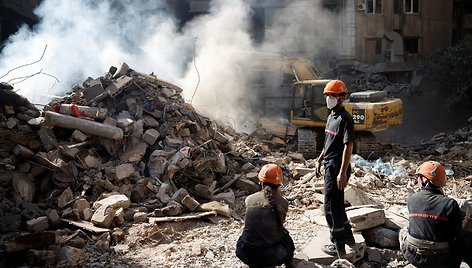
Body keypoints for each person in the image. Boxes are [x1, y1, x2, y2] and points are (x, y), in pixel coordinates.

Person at [399, 160, 472, 268]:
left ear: (424, 179)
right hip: (441, 261)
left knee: (403, 231)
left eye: (418, 177)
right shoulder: (450, 204)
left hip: (413, 256)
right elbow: (457, 240)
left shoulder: (411, 199)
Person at [315, 80, 356, 257]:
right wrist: (319, 159)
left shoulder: (345, 119)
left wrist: (342, 173)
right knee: (337, 205)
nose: (329, 99)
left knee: (330, 207)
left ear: (341, 97)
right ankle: (349, 240)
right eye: (327, 96)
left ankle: (338, 246)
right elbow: (328, 143)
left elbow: (348, 146)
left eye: (332, 95)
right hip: (329, 164)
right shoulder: (331, 117)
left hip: (337, 167)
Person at [236, 163, 295, 268]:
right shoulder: (283, 203)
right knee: (287, 240)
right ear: (279, 184)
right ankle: (289, 265)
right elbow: (280, 224)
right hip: (273, 256)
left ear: (260, 182)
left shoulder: (249, 199)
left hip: (246, 253)